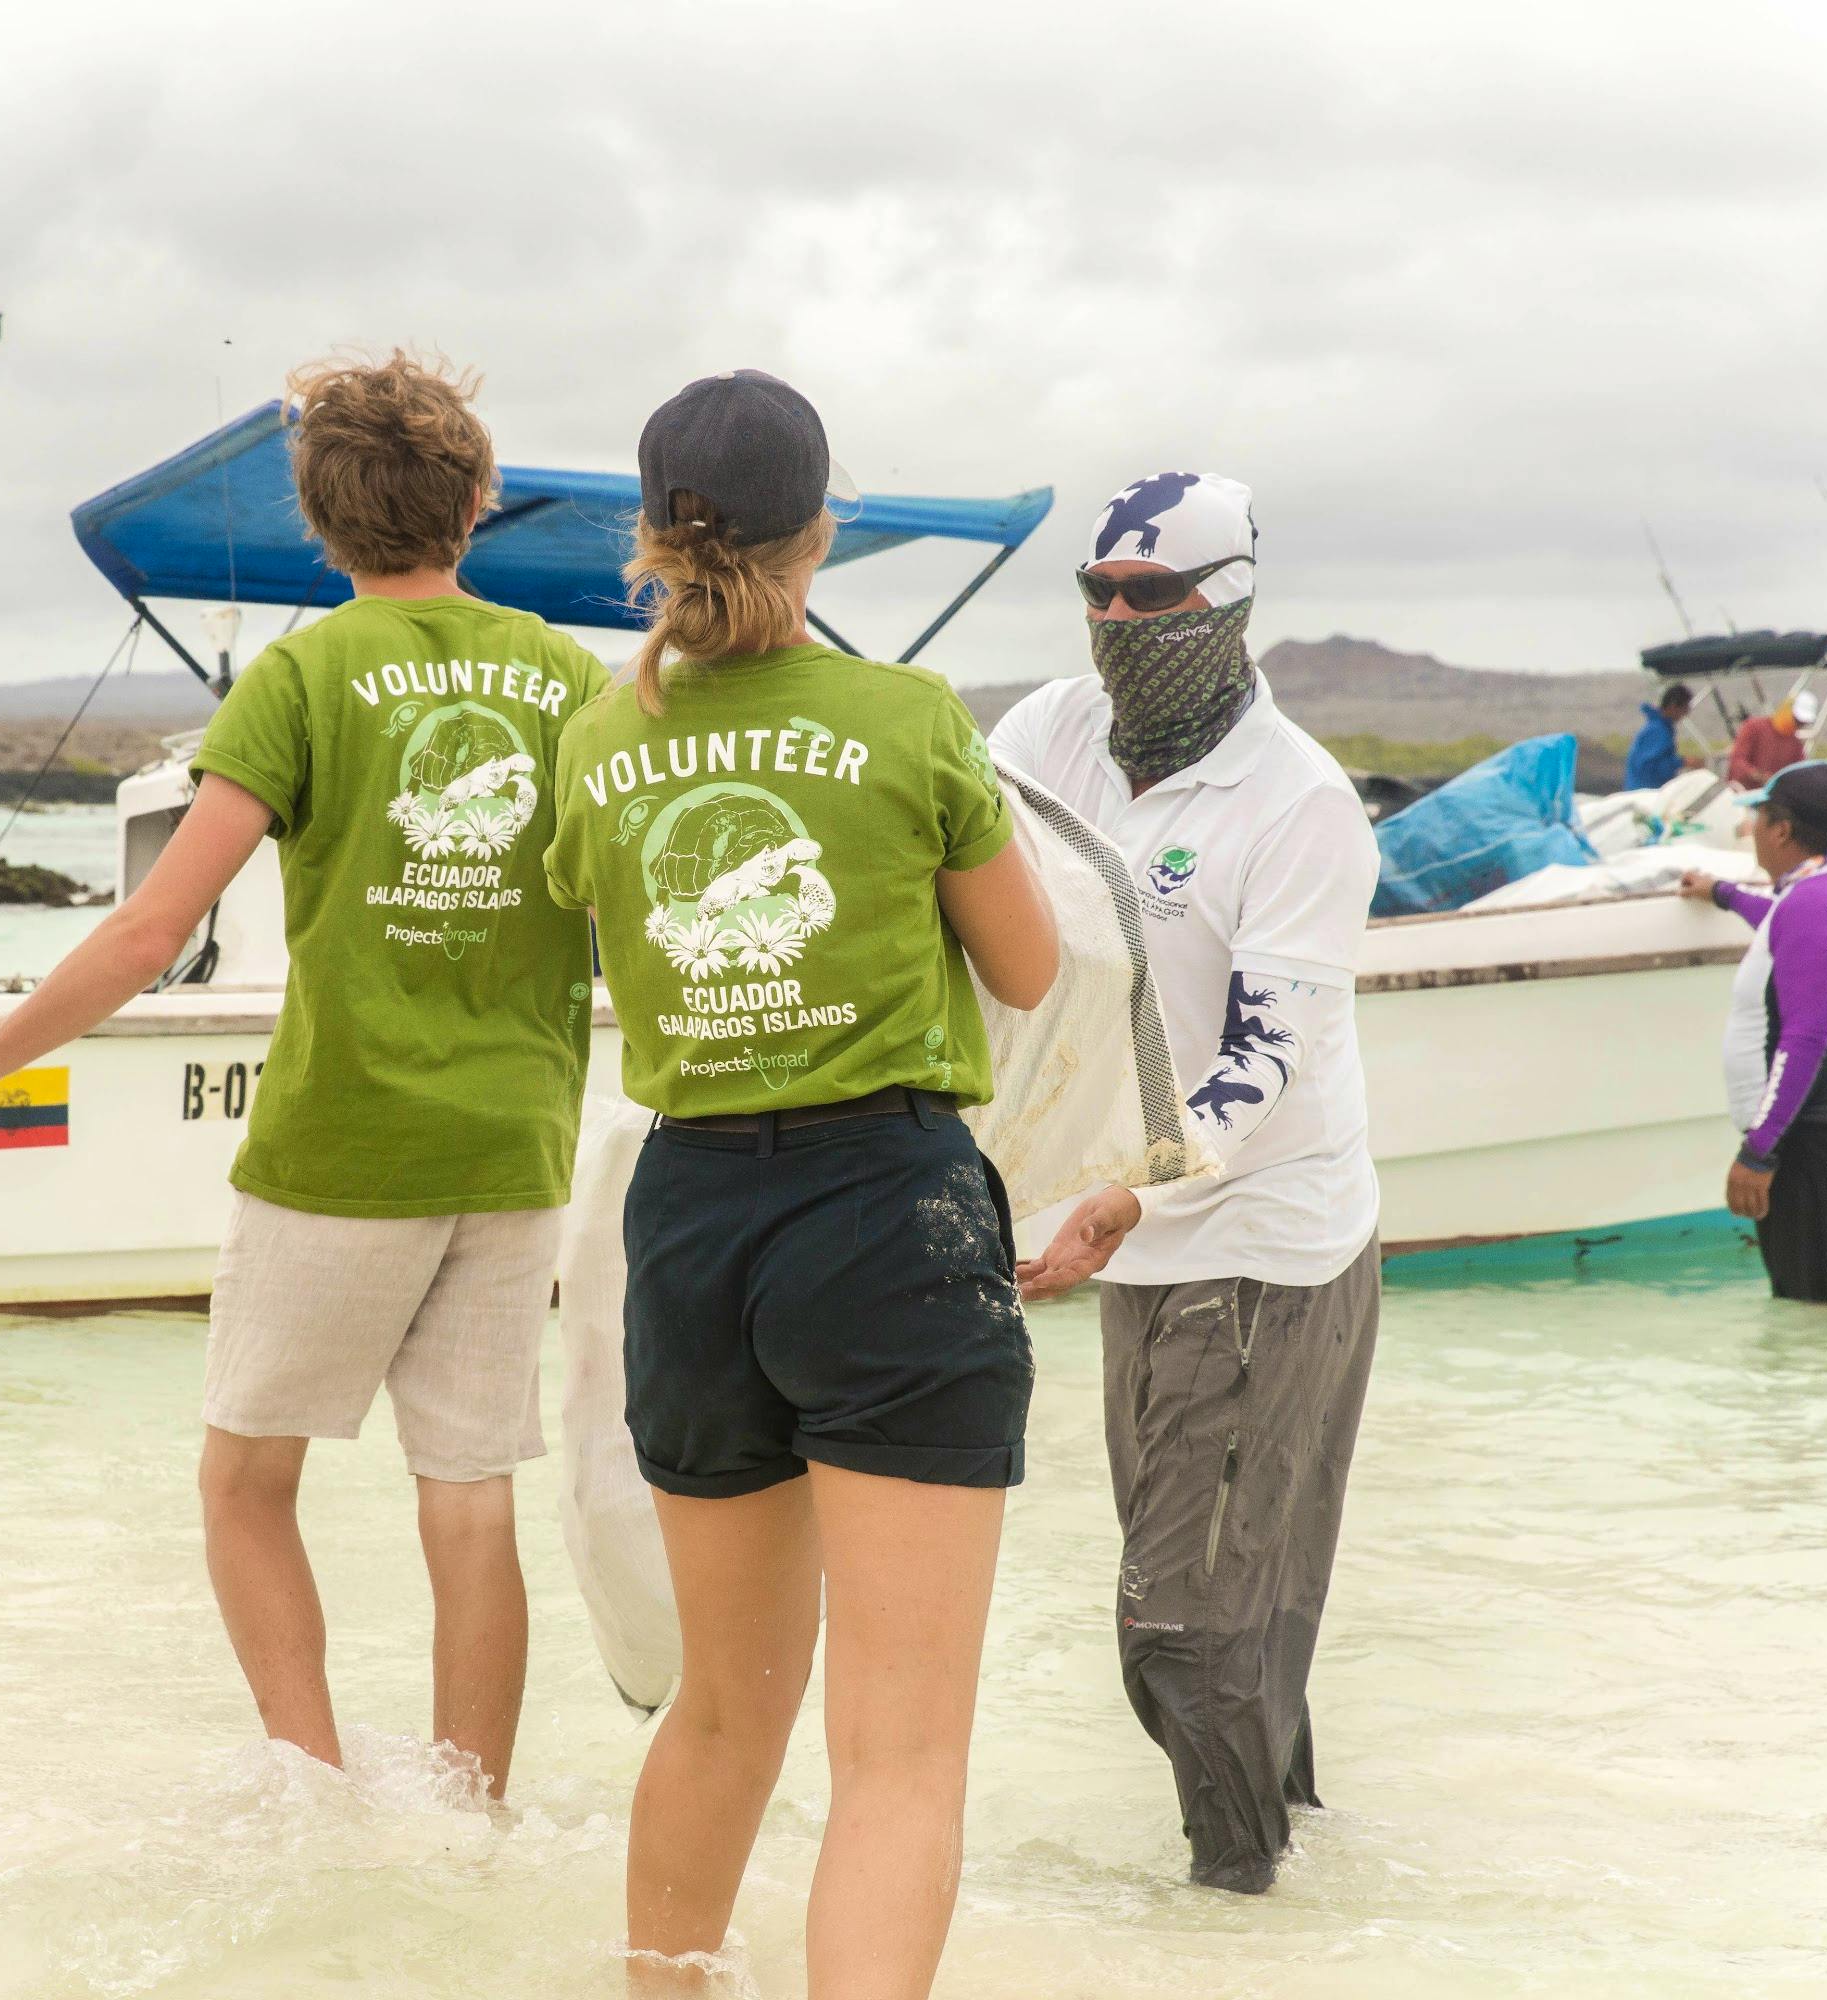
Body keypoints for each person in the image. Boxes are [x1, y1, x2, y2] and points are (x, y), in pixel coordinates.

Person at [0, 353, 605, 1798]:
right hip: (518, 1143)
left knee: (244, 1481)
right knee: (469, 1507)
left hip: (347, 1144)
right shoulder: (562, 672)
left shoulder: (301, 674)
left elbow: (156, 929)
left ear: (317, 524)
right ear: (478, 500)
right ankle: (472, 1816)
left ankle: (312, 1788)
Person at [543, 370, 1059, 1997]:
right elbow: (1033, 969)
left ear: (649, 538)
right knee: (898, 1758)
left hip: (690, 1226)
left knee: (721, 1706)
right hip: (885, 1211)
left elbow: (598, 932)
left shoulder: (600, 735)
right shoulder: (910, 721)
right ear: (822, 531)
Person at [988, 471, 1382, 1895]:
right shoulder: (1048, 734)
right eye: (1096, 591)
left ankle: (1229, 1921)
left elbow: (1262, 1055)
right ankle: (1295, 1894)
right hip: (1133, 1240)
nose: (1115, 618)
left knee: (1185, 1631)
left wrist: (1124, 1199)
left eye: (1150, 597)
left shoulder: (1303, 806)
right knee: (1237, 1605)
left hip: (1266, 1242)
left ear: (1227, 605)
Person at [1677, 761, 1827, 1303]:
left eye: (1760, 819)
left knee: (1820, 1327)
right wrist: (1722, 893)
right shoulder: (1825, 894)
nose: (1752, 834)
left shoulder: (1813, 905)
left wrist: (1759, 1152)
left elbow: (1806, 1039)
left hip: (1814, 1143)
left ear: (1782, 830)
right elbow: (1781, 923)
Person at [1724, 693, 1807, 789]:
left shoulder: (1795, 744)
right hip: (1741, 792)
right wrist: (1758, 775)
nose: (1799, 725)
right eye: (1797, 720)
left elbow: (1801, 772)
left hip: (1772, 796)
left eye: (1803, 723)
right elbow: (1737, 761)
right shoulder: (1753, 727)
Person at [1626, 681, 1696, 790]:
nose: (1686, 714)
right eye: (1684, 709)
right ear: (1673, 706)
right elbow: (1648, 767)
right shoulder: (1658, 731)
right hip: (1645, 795)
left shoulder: (1659, 728)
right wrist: (1682, 762)